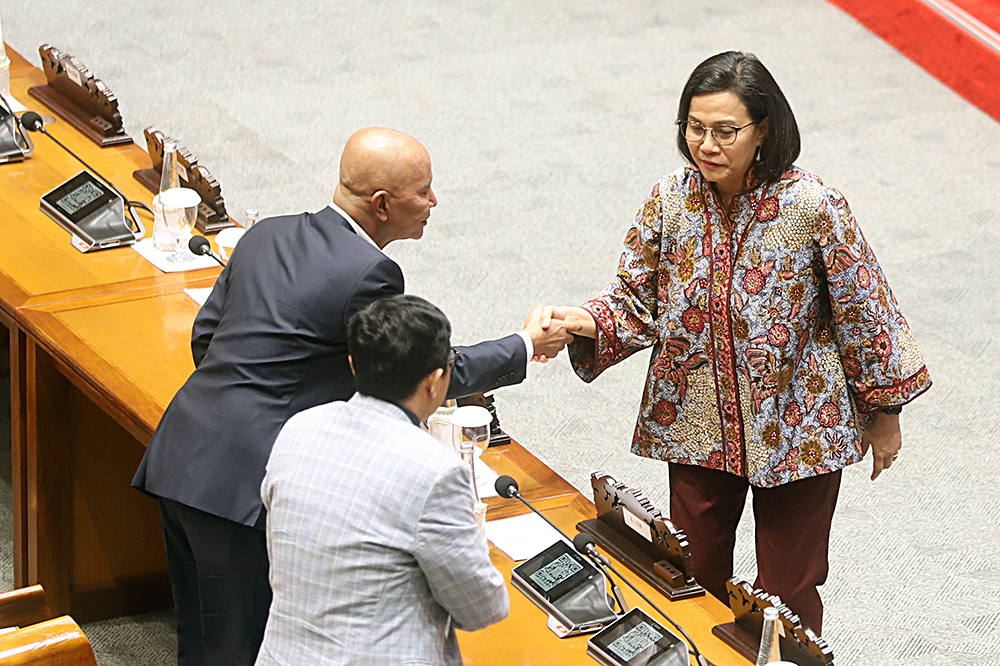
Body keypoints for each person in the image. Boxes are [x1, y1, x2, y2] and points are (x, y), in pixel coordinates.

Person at [132, 127, 575, 665]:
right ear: (382, 205)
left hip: (182, 448)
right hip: (243, 486)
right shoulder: (371, 272)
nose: (434, 202)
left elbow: (207, 339)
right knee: (238, 648)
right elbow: (414, 371)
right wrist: (525, 345)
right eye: (423, 191)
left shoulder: (268, 232)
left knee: (199, 637)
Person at [539, 52, 930, 634]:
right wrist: (584, 321)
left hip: (801, 428)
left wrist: (886, 412)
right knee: (687, 573)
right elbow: (636, 298)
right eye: (695, 128)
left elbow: (866, 310)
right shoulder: (671, 199)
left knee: (788, 592)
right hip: (695, 419)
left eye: (726, 131)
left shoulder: (814, 206)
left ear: (764, 128)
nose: (707, 145)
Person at [256, 294, 508, 666]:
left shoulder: (299, 428)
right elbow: (481, 608)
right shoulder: (433, 470)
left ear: (353, 364)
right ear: (436, 381)